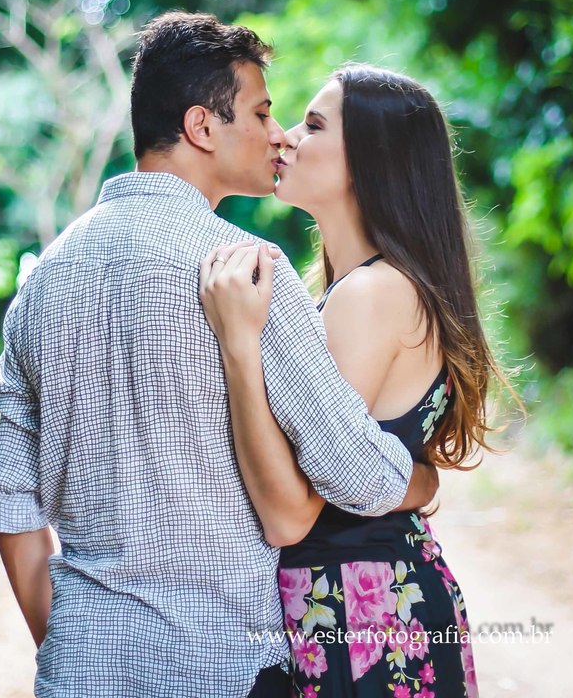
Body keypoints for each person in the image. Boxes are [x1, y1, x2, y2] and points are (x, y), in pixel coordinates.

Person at [0, 13, 439, 698]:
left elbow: (13, 507)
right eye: (259, 111)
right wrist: (423, 479)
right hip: (224, 667)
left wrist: (77, 648)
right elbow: (362, 478)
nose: (276, 135)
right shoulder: (249, 273)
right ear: (202, 127)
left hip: (79, 671)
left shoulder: (44, 279)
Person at [199, 65, 511, 696]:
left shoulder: (370, 294)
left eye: (313, 125)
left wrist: (238, 345)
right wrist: (416, 481)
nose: (284, 137)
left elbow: (294, 502)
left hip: (356, 611)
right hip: (374, 600)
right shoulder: (371, 287)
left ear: (372, 161)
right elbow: (383, 467)